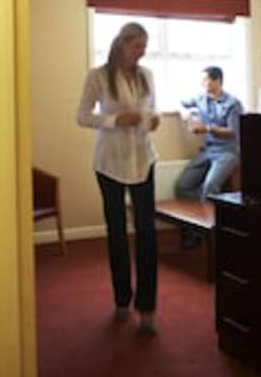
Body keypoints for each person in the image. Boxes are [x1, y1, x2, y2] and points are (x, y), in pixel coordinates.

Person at [76, 22, 161, 335]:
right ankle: (122, 299)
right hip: (109, 162)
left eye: (144, 47)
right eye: (137, 46)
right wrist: (115, 120)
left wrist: (153, 121)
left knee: (147, 233)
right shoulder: (98, 76)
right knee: (117, 232)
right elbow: (82, 116)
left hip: (143, 159)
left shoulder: (147, 75)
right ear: (122, 44)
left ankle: (147, 307)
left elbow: (152, 111)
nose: (142, 52)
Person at [176, 66, 243, 246]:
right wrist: (185, 113)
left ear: (218, 81)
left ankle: (206, 234)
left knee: (210, 187)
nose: (202, 83)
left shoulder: (233, 103)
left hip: (228, 151)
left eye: (205, 80)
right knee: (183, 186)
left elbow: (233, 132)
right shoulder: (200, 98)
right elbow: (181, 103)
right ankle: (194, 225)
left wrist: (207, 128)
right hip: (208, 150)